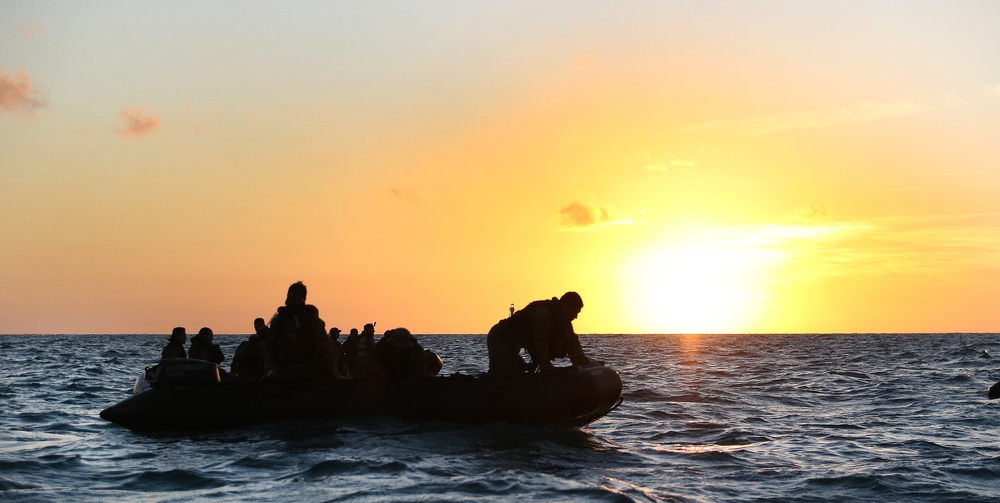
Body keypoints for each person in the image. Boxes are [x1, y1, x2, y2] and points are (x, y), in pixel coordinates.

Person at [486, 291, 591, 377]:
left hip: (517, 341)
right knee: (504, 373)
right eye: (573, 312)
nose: (576, 316)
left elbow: (573, 346)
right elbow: (540, 343)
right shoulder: (542, 314)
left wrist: (586, 363)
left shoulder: (565, 324)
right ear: (564, 306)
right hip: (501, 336)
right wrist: (546, 366)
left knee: (518, 371)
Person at [265, 281, 348, 380]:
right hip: (303, 372)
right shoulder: (284, 320)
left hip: (291, 371)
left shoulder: (281, 320)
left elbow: (270, 348)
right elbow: (325, 347)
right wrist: (336, 374)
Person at [375, 328, 442, 378]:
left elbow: (419, 372)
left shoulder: (417, 352)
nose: (398, 350)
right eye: (396, 347)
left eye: (401, 347)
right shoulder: (382, 348)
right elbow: (371, 364)